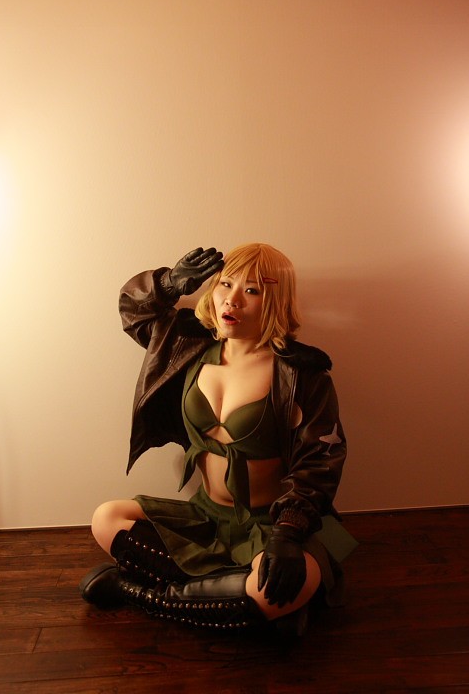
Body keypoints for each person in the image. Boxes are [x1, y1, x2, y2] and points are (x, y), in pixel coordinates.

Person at [80, 243, 357, 634]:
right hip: (205, 516)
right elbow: (134, 310)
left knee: (288, 586)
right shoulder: (185, 346)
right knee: (107, 518)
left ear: (275, 301)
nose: (232, 300)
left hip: (273, 524)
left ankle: (133, 590)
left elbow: (321, 460)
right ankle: (220, 600)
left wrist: (289, 532)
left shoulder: (302, 375)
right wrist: (169, 284)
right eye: (226, 284)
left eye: (252, 290)